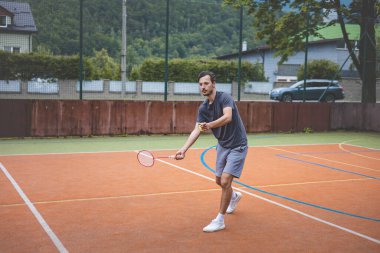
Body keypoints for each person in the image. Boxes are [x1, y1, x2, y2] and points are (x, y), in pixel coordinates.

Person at [175, 71, 248, 232]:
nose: (203, 87)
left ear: (213, 84)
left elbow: (228, 117)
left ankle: (220, 220)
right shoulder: (203, 108)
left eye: (206, 83)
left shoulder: (225, 98)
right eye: (200, 84)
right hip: (222, 145)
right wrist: (183, 149)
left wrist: (210, 125)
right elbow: (197, 130)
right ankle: (234, 196)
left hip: (238, 145)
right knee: (218, 181)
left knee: (225, 180)